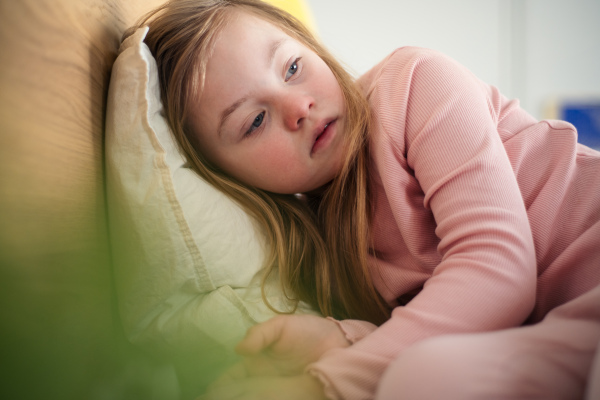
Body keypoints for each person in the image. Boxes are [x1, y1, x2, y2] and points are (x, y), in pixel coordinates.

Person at [127, 0, 600, 399]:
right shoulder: (319, 250)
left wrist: (327, 384)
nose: (298, 108)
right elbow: (436, 329)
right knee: (422, 379)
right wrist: (342, 337)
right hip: (562, 327)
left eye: (292, 68)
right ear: (228, 179)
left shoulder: (412, 84)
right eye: (254, 121)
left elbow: (497, 269)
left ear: (312, 48)